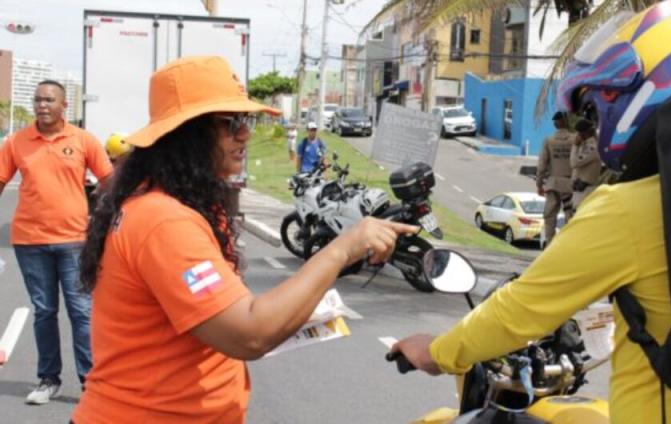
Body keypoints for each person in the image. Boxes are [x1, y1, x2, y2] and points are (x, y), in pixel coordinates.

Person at [391, 3, 671, 423]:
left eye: (595, 110)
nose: (596, 125)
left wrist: (437, 352)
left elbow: (522, 309)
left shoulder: (629, 209)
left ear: (645, 94)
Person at [71, 56, 416, 424]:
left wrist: (293, 313)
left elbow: (223, 317)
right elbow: (249, 334)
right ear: (187, 135)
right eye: (231, 124)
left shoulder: (177, 204)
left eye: (245, 121)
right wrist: (343, 248)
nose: (245, 135)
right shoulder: (164, 221)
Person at [0, 80, 113, 404]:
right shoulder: (17, 142)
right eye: (38, 100)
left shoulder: (83, 140)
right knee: (44, 311)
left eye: (49, 100)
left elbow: (109, 180)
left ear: (64, 105)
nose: (42, 105)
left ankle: (91, 383)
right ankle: (48, 380)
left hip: (73, 240)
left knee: (81, 311)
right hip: (30, 241)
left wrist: (104, 216)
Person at [536, 111, 574, 247]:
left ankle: (550, 243)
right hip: (569, 184)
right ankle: (569, 244)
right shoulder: (575, 139)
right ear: (566, 122)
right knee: (570, 215)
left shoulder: (548, 141)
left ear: (555, 124)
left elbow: (542, 165)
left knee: (550, 216)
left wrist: (539, 184)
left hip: (553, 184)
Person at [569, 118, 602, 210]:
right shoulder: (584, 145)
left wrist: (575, 146)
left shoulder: (592, 147)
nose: (577, 135)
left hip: (585, 191)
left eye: (578, 133)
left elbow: (574, 163)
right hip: (580, 192)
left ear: (584, 133)